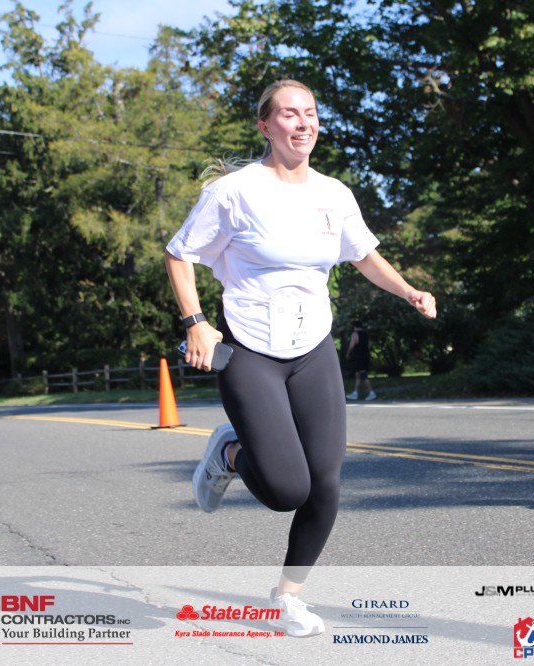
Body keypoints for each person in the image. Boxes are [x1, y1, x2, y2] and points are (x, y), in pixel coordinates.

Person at [165, 79, 437, 637]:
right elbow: (179, 254)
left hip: (313, 348)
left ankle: (288, 597)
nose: (302, 122)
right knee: (288, 490)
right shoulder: (234, 192)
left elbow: (364, 255)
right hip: (249, 351)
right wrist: (196, 323)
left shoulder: (333, 193)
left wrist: (408, 290)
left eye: (310, 113)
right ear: (265, 126)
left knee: (326, 482)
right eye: (289, 114)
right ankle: (230, 453)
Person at [345, 320, 376, 401]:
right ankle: (355, 393)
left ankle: (371, 392)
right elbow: (369, 344)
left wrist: (348, 353)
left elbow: (352, 345)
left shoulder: (355, 334)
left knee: (363, 375)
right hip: (365, 356)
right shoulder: (366, 334)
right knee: (358, 375)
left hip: (358, 356)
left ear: (354, 326)